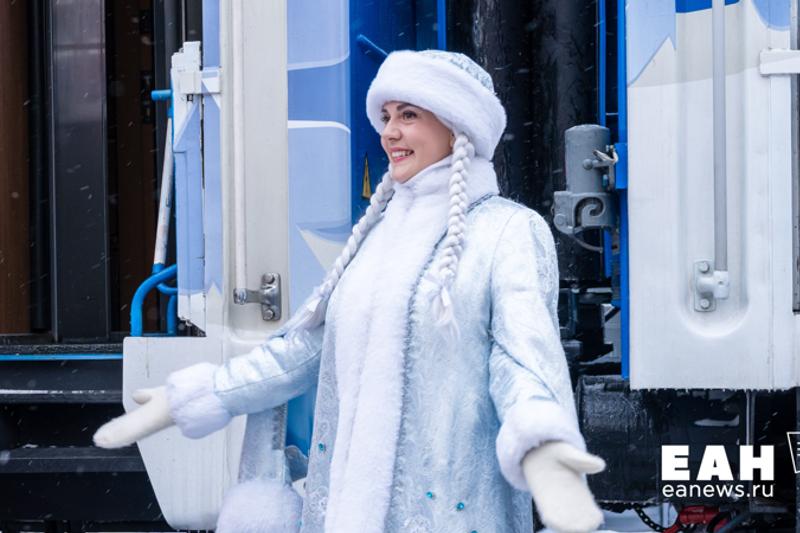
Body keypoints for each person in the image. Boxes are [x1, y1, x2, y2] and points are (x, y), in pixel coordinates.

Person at [94, 49, 605, 533]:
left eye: (408, 115)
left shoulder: (507, 230)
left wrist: (543, 445)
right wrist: (202, 395)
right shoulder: (376, 236)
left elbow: (522, 361)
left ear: (458, 125)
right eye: (386, 116)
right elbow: (306, 349)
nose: (389, 132)